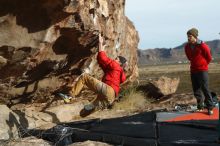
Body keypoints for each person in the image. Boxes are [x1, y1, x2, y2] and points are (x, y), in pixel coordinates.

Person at [58, 33, 127, 111]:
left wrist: (100, 43)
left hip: (108, 90)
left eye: (117, 58)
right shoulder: (119, 71)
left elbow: (103, 58)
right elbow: (103, 62)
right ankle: (86, 117)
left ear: (120, 63)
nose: (115, 59)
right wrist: (102, 49)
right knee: (86, 110)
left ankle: (70, 97)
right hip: (111, 97)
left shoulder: (116, 65)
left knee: (84, 77)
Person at [184, 28, 214, 115]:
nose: (188, 38)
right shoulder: (187, 46)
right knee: (196, 89)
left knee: (205, 88)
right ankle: (200, 106)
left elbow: (209, 57)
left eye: (190, 36)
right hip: (193, 70)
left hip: (202, 70)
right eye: (188, 36)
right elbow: (189, 57)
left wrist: (203, 64)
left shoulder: (202, 45)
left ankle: (210, 107)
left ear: (195, 36)